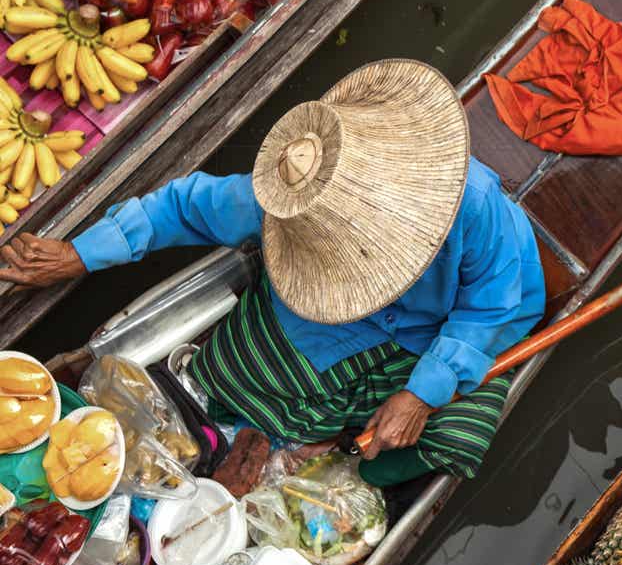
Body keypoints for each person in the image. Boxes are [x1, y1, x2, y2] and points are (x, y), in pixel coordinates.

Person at [0, 60, 546, 486]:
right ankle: (253, 429)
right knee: (239, 368)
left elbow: (489, 308)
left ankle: (313, 439)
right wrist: (81, 254)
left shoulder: (470, 208)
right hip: (331, 297)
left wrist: (422, 393)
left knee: (434, 438)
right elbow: (181, 207)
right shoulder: (289, 202)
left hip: (447, 322)